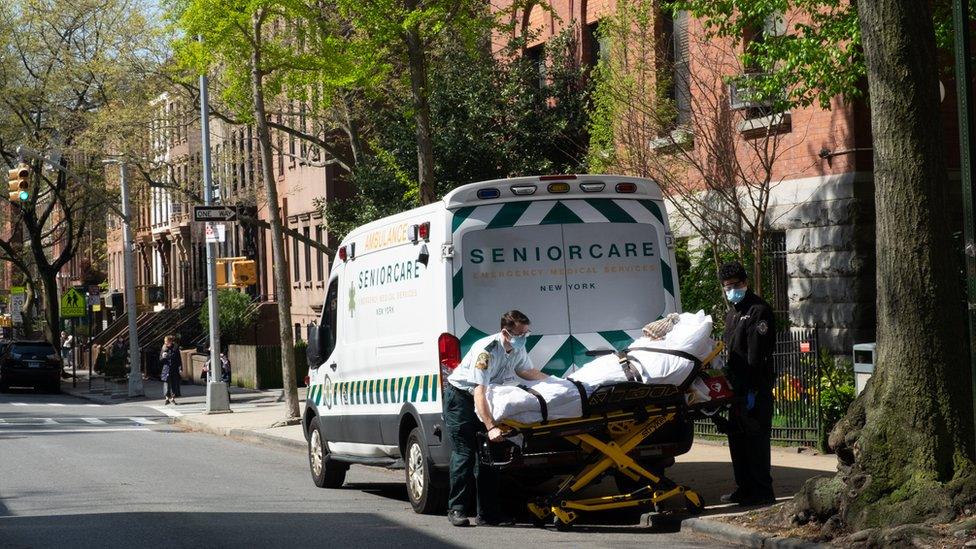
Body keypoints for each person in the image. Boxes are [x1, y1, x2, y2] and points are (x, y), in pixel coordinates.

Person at [444, 310, 550, 528]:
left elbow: (526, 370)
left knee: (489, 456)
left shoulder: (517, 347)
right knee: (464, 454)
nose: (525, 337)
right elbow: (478, 392)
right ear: (505, 332)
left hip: (487, 398)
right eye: (521, 334)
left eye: (527, 333)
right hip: (462, 398)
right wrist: (491, 426)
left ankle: (488, 515)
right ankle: (457, 509)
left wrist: (554, 382)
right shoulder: (487, 351)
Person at [718, 261, 776, 506]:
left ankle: (762, 491)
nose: (732, 290)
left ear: (745, 283)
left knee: (756, 442)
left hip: (754, 387)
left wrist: (751, 386)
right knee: (738, 441)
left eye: (736, 285)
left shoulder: (758, 311)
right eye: (727, 286)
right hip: (737, 389)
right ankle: (744, 488)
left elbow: (755, 355)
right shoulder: (733, 313)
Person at [160, 335, 183, 405]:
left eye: (166, 341)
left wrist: (180, 367)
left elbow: (179, 358)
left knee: (174, 384)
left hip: (174, 368)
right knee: (166, 384)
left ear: (170, 341)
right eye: (165, 342)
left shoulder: (175, 348)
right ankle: (167, 398)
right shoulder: (163, 348)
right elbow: (160, 359)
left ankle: (173, 398)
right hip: (166, 369)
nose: (165, 343)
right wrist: (163, 357)